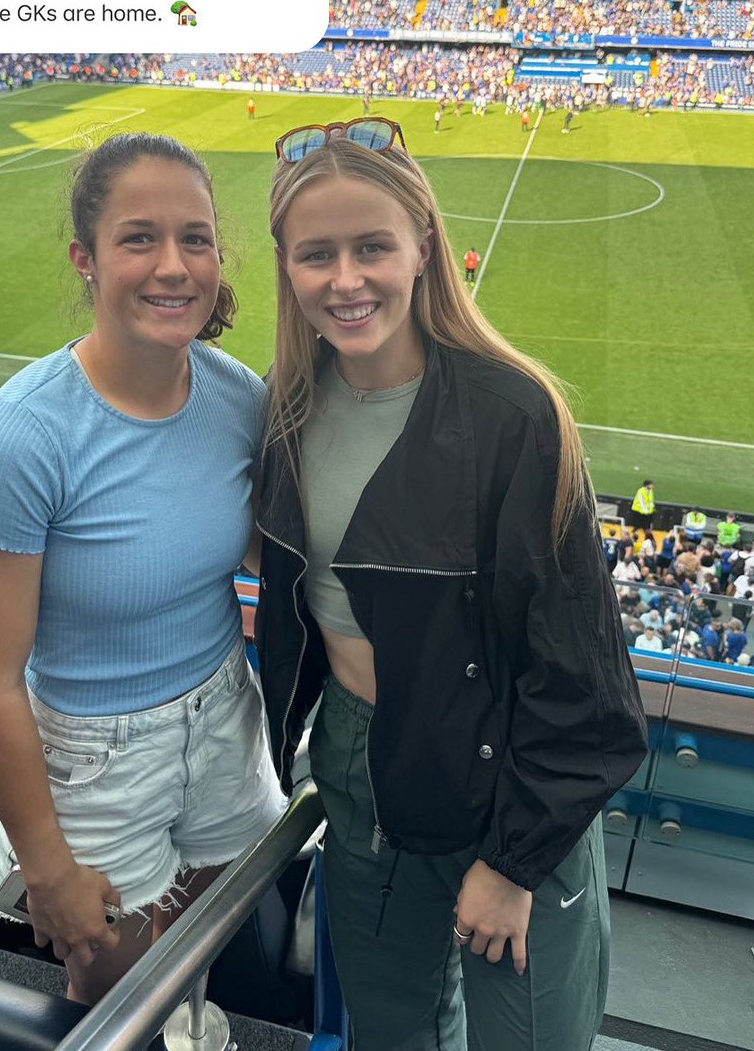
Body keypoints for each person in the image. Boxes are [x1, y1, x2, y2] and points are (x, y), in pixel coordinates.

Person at [255, 117, 647, 1051]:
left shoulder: (516, 416)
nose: (345, 280)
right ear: (286, 265)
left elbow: (586, 684)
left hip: (504, 777)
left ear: (423, 247)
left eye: (371, 248)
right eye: (317, 254)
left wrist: (512, 863)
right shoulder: (285, 406)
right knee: (390, 1032)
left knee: (531, 1041)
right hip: (361, 774)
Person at [0, 133, 286, 1007]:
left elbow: (255, 551)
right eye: (139, 238)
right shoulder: (18, 439)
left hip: (220, 714)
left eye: (195, 238)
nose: (173, 266)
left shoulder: (235, 395)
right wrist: (47, 863)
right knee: (114, 981)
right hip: (92, 758)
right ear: (85, 260)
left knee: (205, 934)